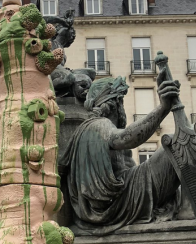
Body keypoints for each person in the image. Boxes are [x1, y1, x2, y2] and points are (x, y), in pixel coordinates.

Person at [59, 73, 182, 235]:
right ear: (115, 104)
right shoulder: (98, 125)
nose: (123, 109)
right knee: (175, 144)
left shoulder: (100, 130)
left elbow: (130, 167)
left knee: (179, 144)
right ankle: (191, 208)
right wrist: (163, 108)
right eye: (121, 102)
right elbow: (127, 138)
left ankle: (191, 205)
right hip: (117, 202)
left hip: (124, 192)